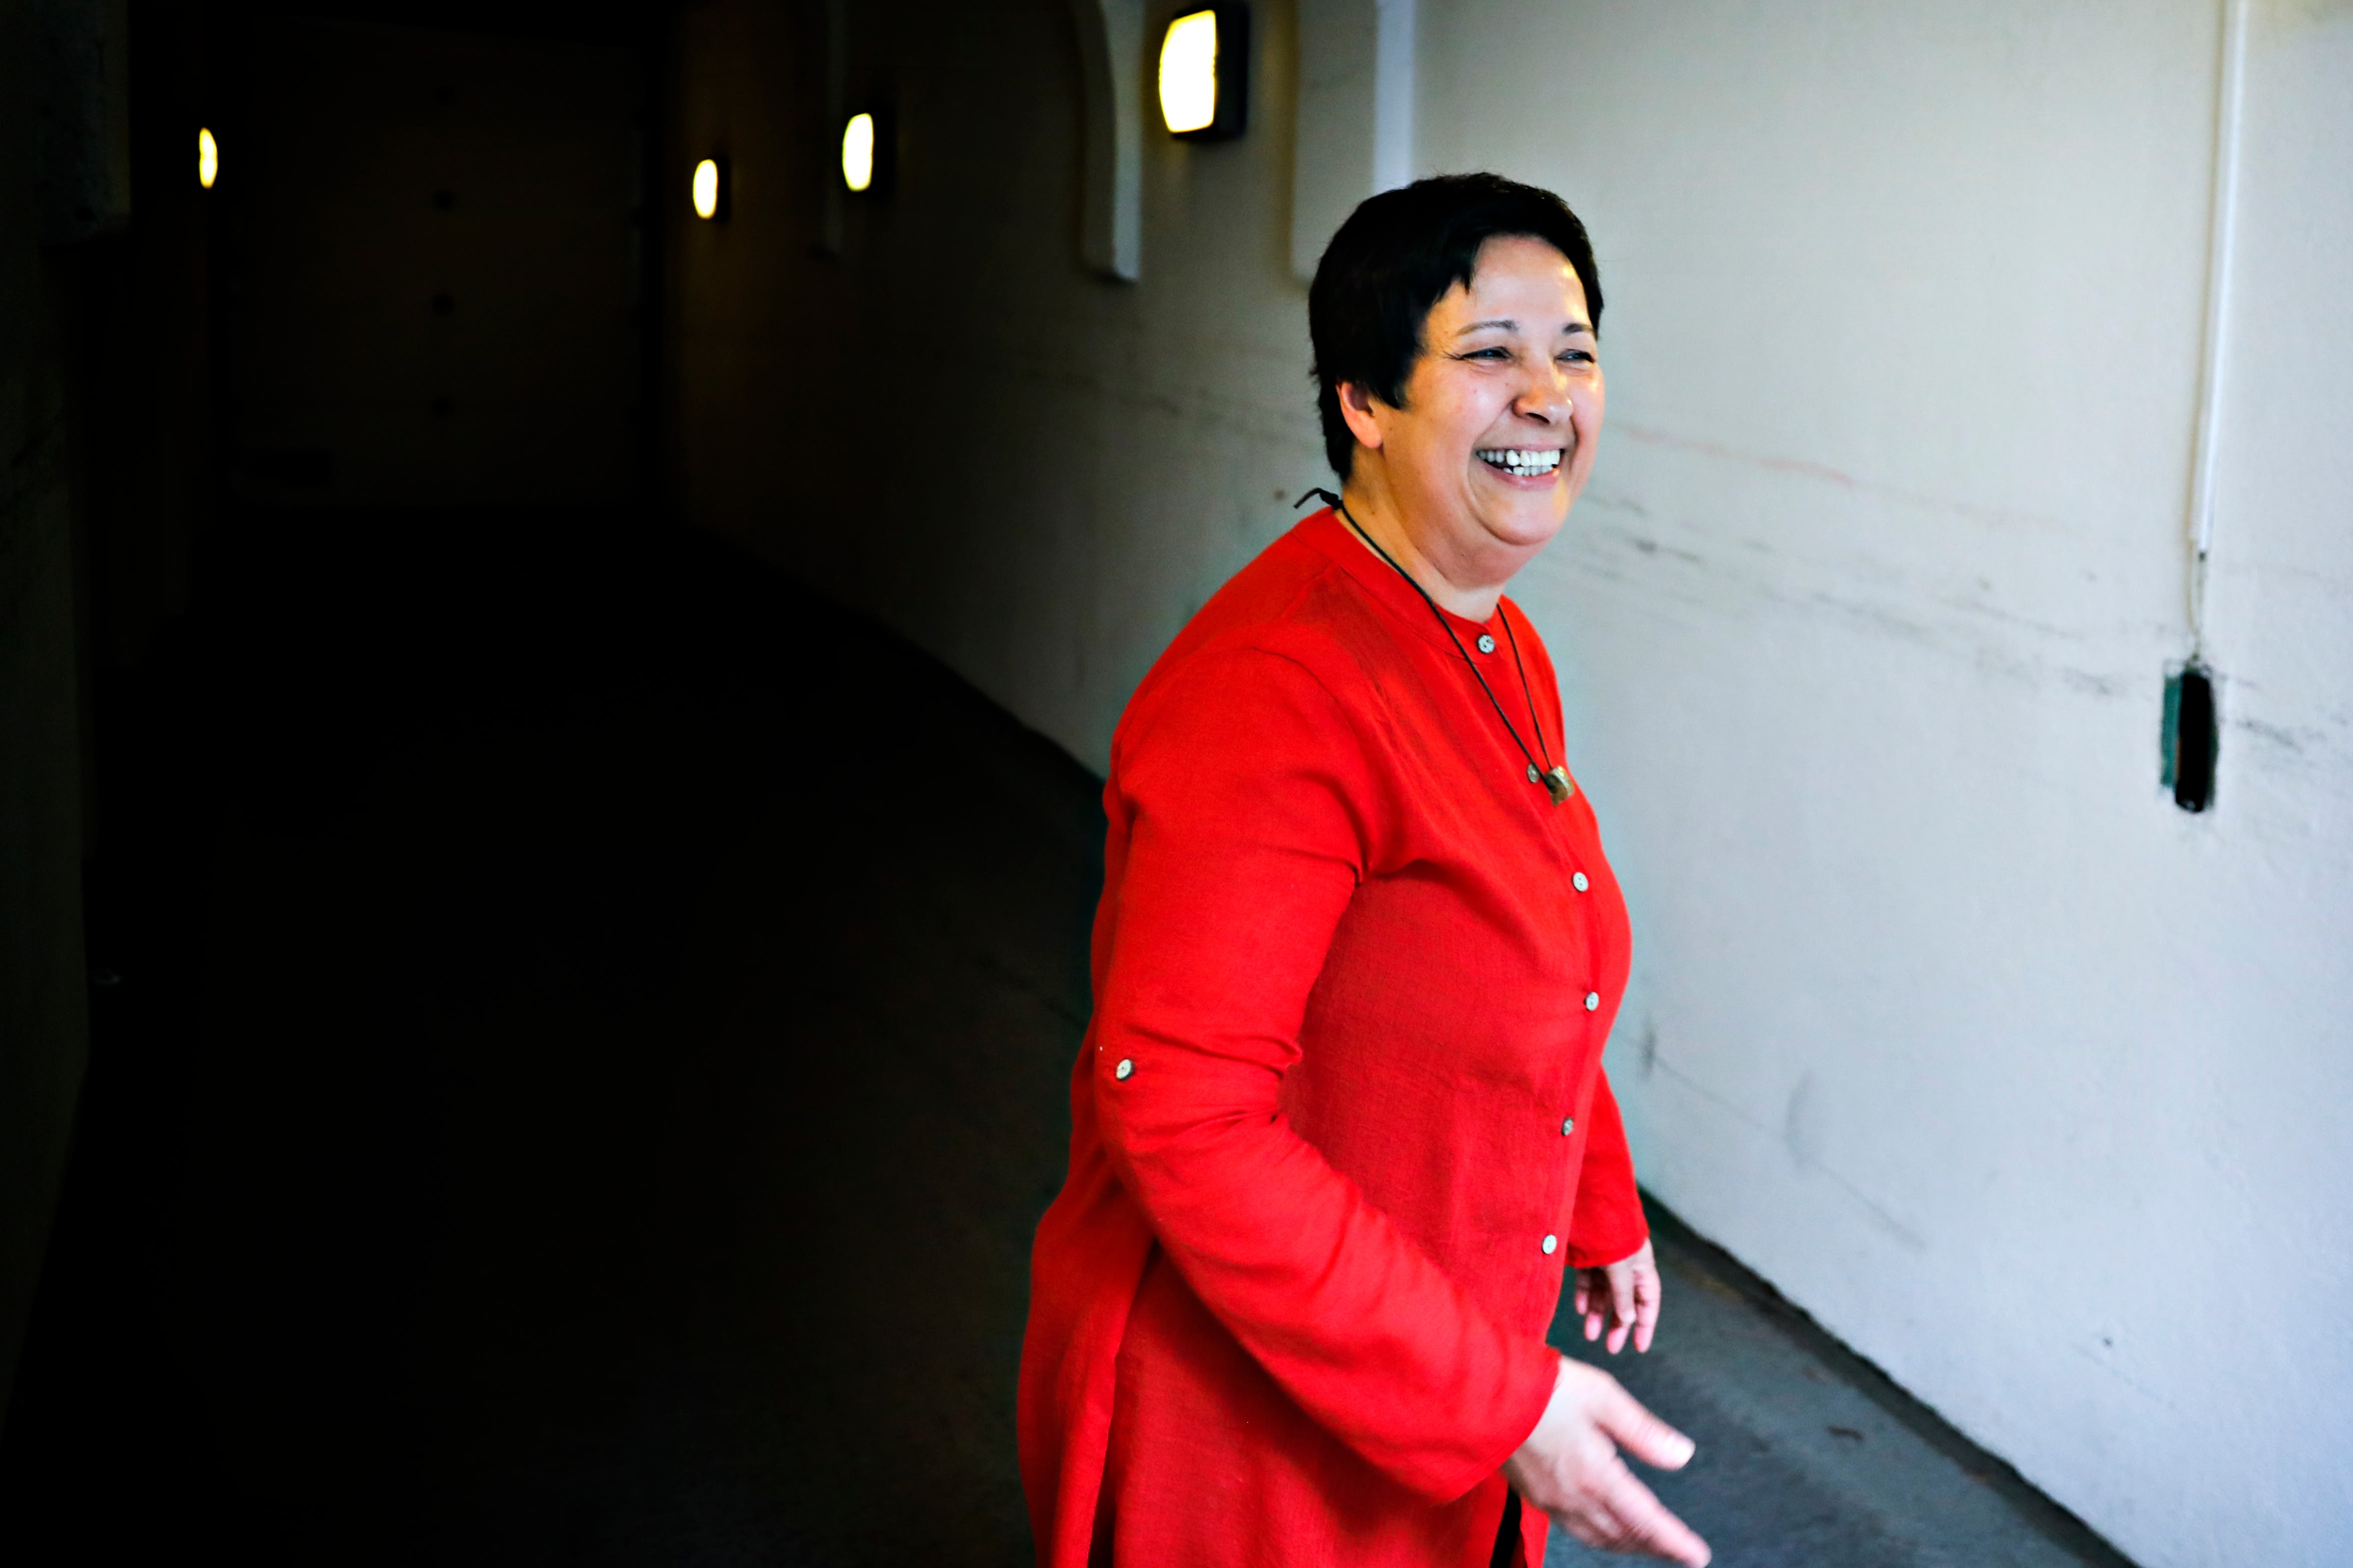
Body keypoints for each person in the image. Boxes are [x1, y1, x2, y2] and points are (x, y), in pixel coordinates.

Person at [1018, 174, 1711, 1568]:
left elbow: (1535, 942)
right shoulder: (1281, 688)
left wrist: (1597, 1202)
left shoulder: (1493, 639)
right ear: (1364, 402)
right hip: (1247, 1435)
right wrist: (1503, 1401)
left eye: (1575, 351)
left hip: (1430, 1347)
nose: (1547, 395)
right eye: (1490, 353)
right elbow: (1184, 1117)